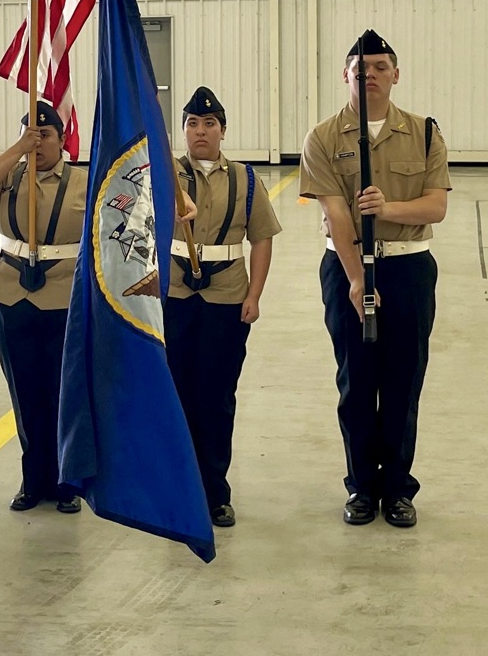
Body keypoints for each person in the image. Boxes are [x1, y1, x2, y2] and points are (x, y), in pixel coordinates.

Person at [299, 30, 450, 528]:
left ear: (396, 74)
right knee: (357, 381)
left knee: (404, 380)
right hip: (347, 268)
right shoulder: (322, 138)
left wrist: (390, 207)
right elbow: (336, 215)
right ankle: (362, 487)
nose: (371, 76)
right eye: (360, 69)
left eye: (380, 67)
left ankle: (398, 490)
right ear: (346, 75)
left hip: (408, 267)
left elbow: (437, 206)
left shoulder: (425, 132)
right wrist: (356, 280)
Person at [165, 86, 281, 528]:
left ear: (223, 131)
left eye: (209, 124)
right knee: (177, 394)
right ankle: (179, 489)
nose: (200, 131)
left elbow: (262, 238)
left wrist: (255, 295)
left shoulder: (247, 180)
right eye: (192, 123)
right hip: (174, 296)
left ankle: (215, 492)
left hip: (226, 298)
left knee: (216, 397)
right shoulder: (165, 177)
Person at [0, 101, 87, 515]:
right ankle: (32, 479)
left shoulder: (81, 180)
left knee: (62, 391)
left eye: (46, 136)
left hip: (64, 294)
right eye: (30, 135)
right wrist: (17, 149)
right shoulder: (11, 175)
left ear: (62, 139)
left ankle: (66, 481)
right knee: (24, 391)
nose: (38, 144)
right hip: (10, 292)